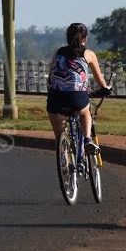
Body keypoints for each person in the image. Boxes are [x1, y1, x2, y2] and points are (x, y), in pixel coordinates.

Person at [46, 23, 111, 159]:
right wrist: (106, 88)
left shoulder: (58, 52)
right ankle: (87, 139)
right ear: (85, 39)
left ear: (68, 38)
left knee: (59, 136)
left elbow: (50, 76)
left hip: (55, 98)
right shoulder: (88, 54)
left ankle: (64, 159)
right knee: (85, 112)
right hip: (77, 97)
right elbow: (100, 80)